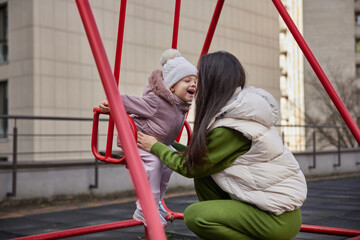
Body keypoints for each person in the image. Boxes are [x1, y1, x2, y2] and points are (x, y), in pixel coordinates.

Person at [137, 51, 307, 239]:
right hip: (265, 208)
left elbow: (190, 166)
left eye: (199, 79)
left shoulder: (233, 127)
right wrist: (168, 143)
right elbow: (201, 158)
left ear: (212, 81)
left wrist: (155, 146)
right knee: (204, 176)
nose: (196, 85)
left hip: (276, 219)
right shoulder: (235, 111)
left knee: (196, 215)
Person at [98, 49, 197, 227]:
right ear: (172, 86)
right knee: (155, 162)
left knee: (170, 160)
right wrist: (111, 103)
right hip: (136, 140)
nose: (194, 84)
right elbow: (130, 102)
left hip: (156, 143)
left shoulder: (180, 105)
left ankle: (155, 202)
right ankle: (145, 208)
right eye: (187, 80)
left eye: (196, 81)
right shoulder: (157, 102)